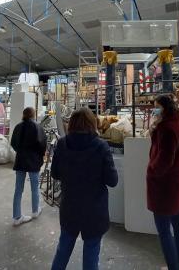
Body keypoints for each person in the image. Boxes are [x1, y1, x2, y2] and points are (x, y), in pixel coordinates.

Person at [51, 107, 118, 270]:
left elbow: (55, 173)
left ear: (71, 124)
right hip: (94, 211)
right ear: (92, 123)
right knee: (91, 254)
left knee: (63, 250)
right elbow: (112, 180)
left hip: (70, 207)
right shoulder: (101, 146)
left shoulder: (62, 144)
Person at [147, 95, 179, 270]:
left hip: (164, 189)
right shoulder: (178, 126)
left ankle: (174, 267)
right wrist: (153, 131)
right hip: (177, 184)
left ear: (164, 108)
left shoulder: (166, 129)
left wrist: (151, 171)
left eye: (156, 107)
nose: (154, 110)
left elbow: (163, 161)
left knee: (164, 231)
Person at [10, 107, 47, 225]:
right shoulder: (37, 127)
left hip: (20, 160)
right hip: (33, 161)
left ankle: (16, 217)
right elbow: (42, 145)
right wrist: (40, 156)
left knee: (18, 189)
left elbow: (13, 143)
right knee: (34, 187)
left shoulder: (18, 127)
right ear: (33, 114)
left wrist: (20, 152)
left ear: (23, 114)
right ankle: (35, 211)